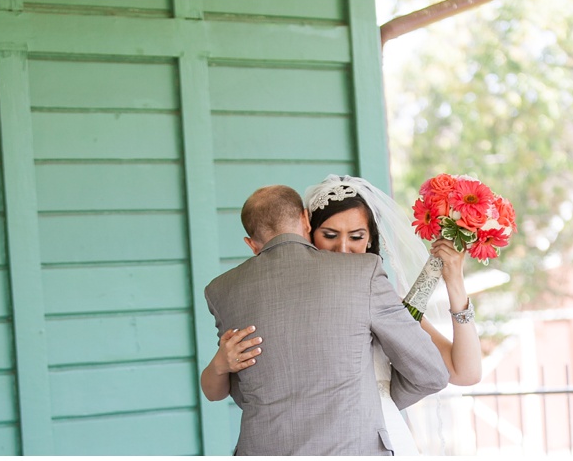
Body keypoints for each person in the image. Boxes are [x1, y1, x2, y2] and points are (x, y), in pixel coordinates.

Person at [200, 185, 449, 456]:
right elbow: (431, 374)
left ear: (251, 244)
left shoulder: (221, 290)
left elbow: (239, 387)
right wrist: (372, 404)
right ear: (306, 220)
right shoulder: (362, 271)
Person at [303, 174, 482, 455]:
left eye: (356, 237)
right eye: (329, 235)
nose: (343, 249)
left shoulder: (386, 305)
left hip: (384, 440)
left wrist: (455, 283)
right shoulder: (296, 304)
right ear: (309, 235)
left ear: (371, 241)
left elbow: (465, 372)